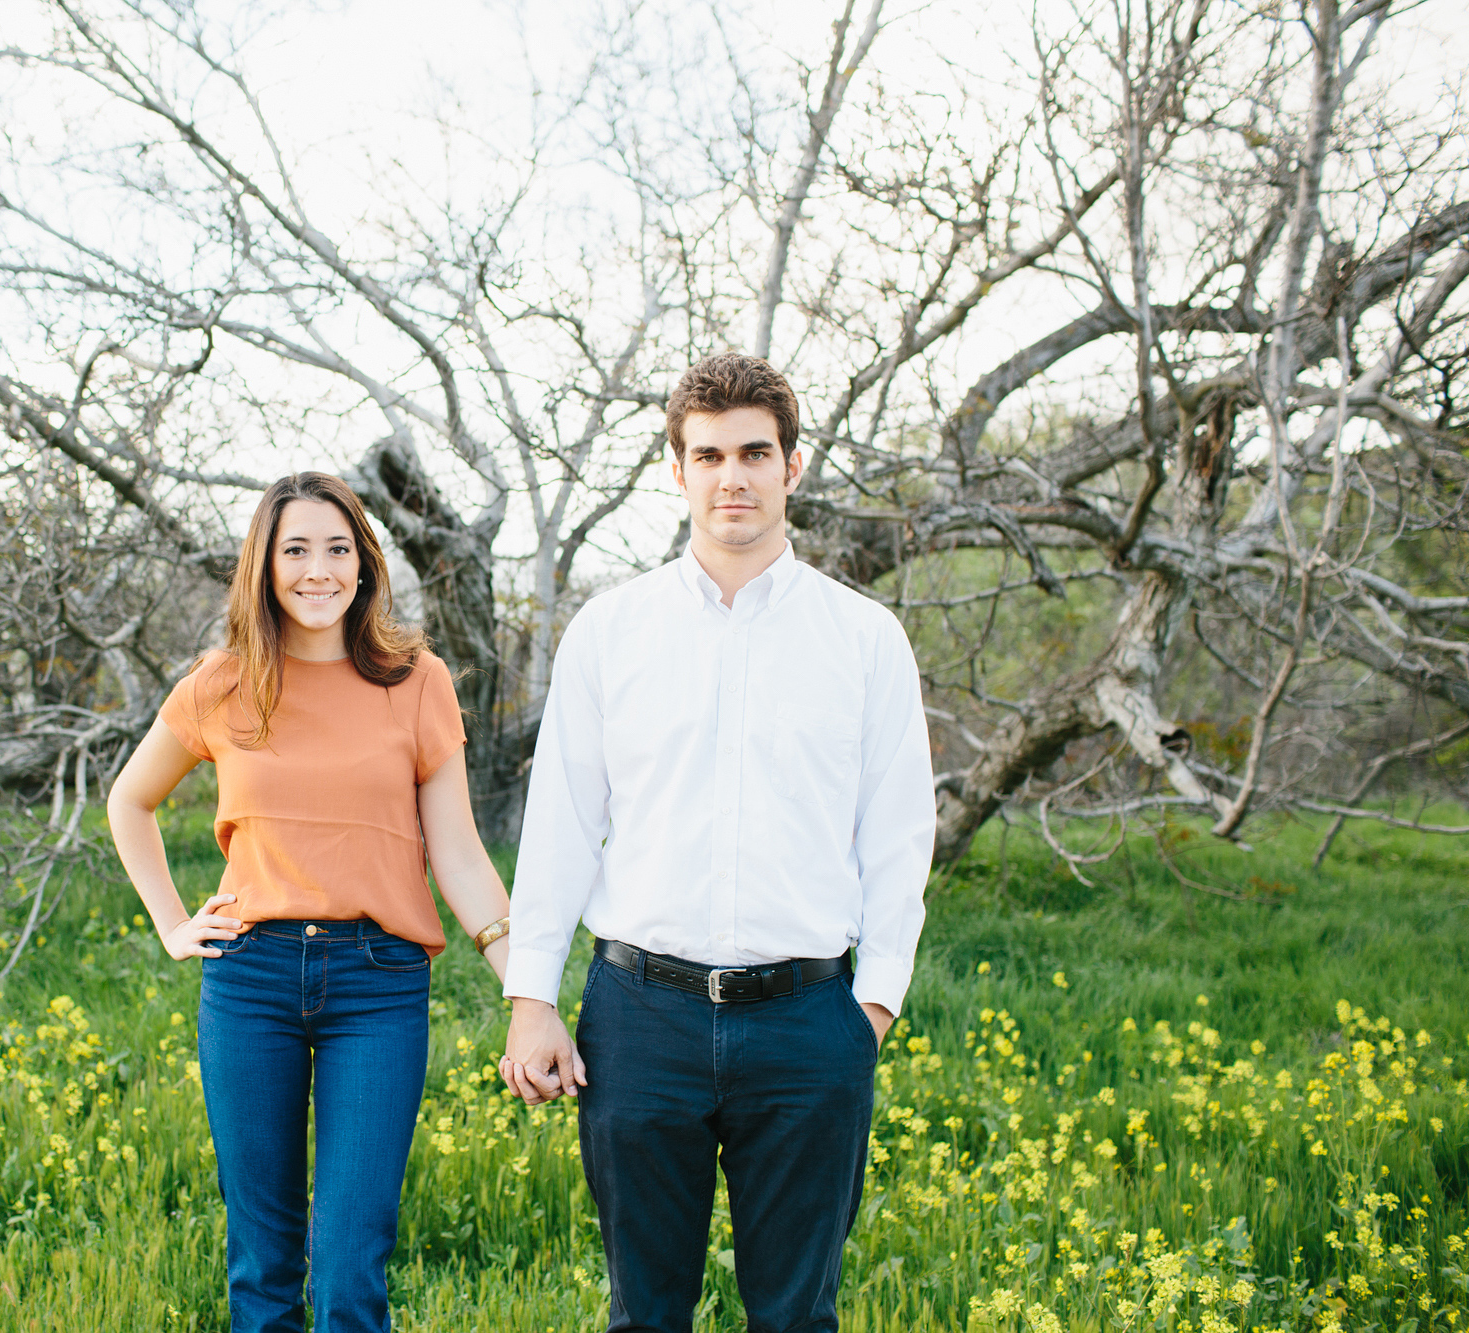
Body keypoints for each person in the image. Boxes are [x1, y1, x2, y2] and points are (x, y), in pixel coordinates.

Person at [498, 352, 935, 1333]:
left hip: (808, 1021)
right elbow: (562, 820)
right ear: (677, 469)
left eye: (753, 452)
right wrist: (531, 999)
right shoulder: (610, 632)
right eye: (707, 455)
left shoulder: (861, 639)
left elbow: (900, 833)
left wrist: (872, 1003)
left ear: (790, 466)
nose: (730, 475)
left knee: (795, 1317)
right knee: (644, 1314)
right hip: (639, 1020)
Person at [106, 471, 513, 1333]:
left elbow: (461, 853)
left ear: (365, 565)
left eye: (338, 548)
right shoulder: (221, 681)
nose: (318, 569)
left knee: (352, 1259)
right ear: (266, 564)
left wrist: (526, 987)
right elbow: (127, 801)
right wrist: (174, 924)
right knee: (263, 1259)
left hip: (378, 983)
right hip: (250, 979)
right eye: (296, 549)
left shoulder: (417, 679)